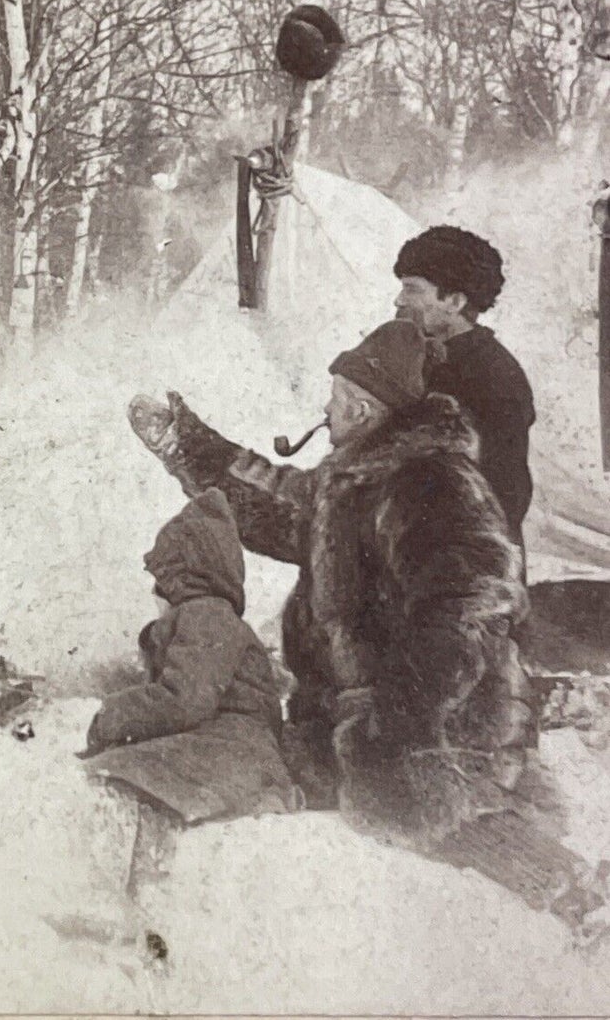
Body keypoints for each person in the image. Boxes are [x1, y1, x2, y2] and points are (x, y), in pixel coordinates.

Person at [129, 322, 594, 922]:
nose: (324, 410)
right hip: (365, 719)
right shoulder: (357, 483)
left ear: (358, 405)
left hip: (445, 728)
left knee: (454, 821)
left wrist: (398, 722)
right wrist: (187, 446)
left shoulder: (434, 483)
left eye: (334, 396)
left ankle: (585, 905)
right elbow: (276, 501)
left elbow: (472, 605)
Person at [80, 489, 297, 894]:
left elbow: (184, 700)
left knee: (125, 775)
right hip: (229, 747)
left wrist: (110, 716)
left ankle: (115, 894)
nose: (155, 592)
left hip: (236, 751)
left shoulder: (207, 616)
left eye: (161, 579)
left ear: (183, 575)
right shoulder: (205, 617)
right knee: (132, 768)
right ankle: (136, 890)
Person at [393, 225, 535, 554]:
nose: (399, 299)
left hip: (471, 566)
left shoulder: (496, 377)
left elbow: (505, 497)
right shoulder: (420, 358)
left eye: (413, 289)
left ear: (454, 301)